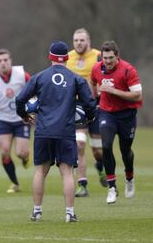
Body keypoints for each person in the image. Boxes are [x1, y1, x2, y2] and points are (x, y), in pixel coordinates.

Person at [16, 41, 96, 223]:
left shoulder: (39, 77)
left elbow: (20, 99)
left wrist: (24, 115)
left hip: (43, 131)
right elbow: (90, 104)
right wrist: (88, 118)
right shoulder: (76, 79)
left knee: (40, 172)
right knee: (67, 173)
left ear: (50, 57)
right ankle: (69, 213)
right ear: (67, 58)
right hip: (66, 132)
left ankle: (37, 211)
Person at [90, 41, 142, 204]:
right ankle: (112, 187)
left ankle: (129, 177)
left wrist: (114, 91)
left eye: (111, 58)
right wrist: (95, 99)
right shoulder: (97, 68)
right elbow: (93, 82)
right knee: (105, 147)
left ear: (117, 57)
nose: (108, 61)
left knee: (125, 150)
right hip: (107, 113)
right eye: (105, 58)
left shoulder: (128, 70)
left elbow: (138, 95)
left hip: (127, 115)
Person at [66, 28, 107, 197]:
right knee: (79, 144)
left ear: (88, 41)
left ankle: (100, 166)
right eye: (76, 40)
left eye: (82, 40)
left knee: (98, 151)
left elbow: (109, 77)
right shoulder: (68, 58)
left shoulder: (98, 56)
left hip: (96, 107)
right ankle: (82, 185)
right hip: (77, 107)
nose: (78, 43)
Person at [0, 48, 31, 194]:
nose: (3, 63)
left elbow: (35, 89)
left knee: (21, 153)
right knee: (4, 151)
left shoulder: (21, 75)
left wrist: (32, 106)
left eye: (5, 60)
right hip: (4, 119)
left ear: (10, 61)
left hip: (21, 118)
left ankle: (25, 157)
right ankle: (15, 183)